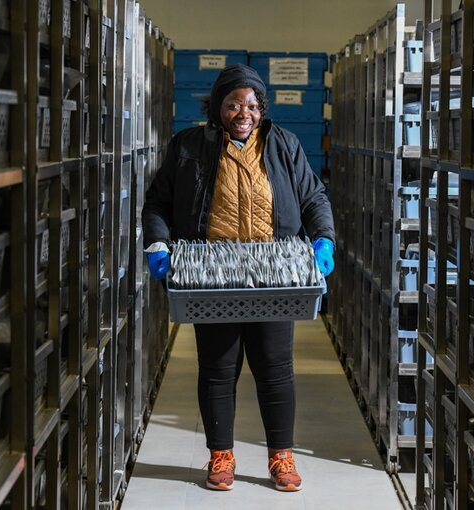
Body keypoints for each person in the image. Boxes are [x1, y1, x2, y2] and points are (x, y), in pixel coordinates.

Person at [141, 63, 335, 492]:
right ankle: (221, 456)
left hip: (274, 275)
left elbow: (313, 196)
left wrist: (324, 239)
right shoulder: (189, 145)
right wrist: (157, 243)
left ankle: (281, 457)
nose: (242, 112)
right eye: (232, 104)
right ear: (218, 108)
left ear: (261, 108)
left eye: (250, 105)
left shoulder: (283, 144)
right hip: (213, 275)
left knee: (276, 369)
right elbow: (158, 201)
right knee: (217, 369)